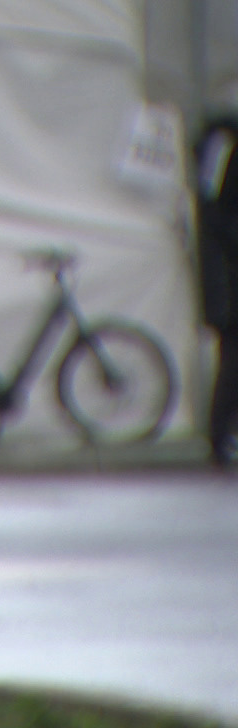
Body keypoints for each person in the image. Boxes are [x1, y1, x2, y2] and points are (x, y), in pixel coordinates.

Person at [194, 114, 238, 469]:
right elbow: (215, 217)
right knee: (233, 360)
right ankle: (220, 437)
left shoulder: (220, 145)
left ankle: (222, 436)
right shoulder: (224, 146)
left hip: (226, 273)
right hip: (228, 276)